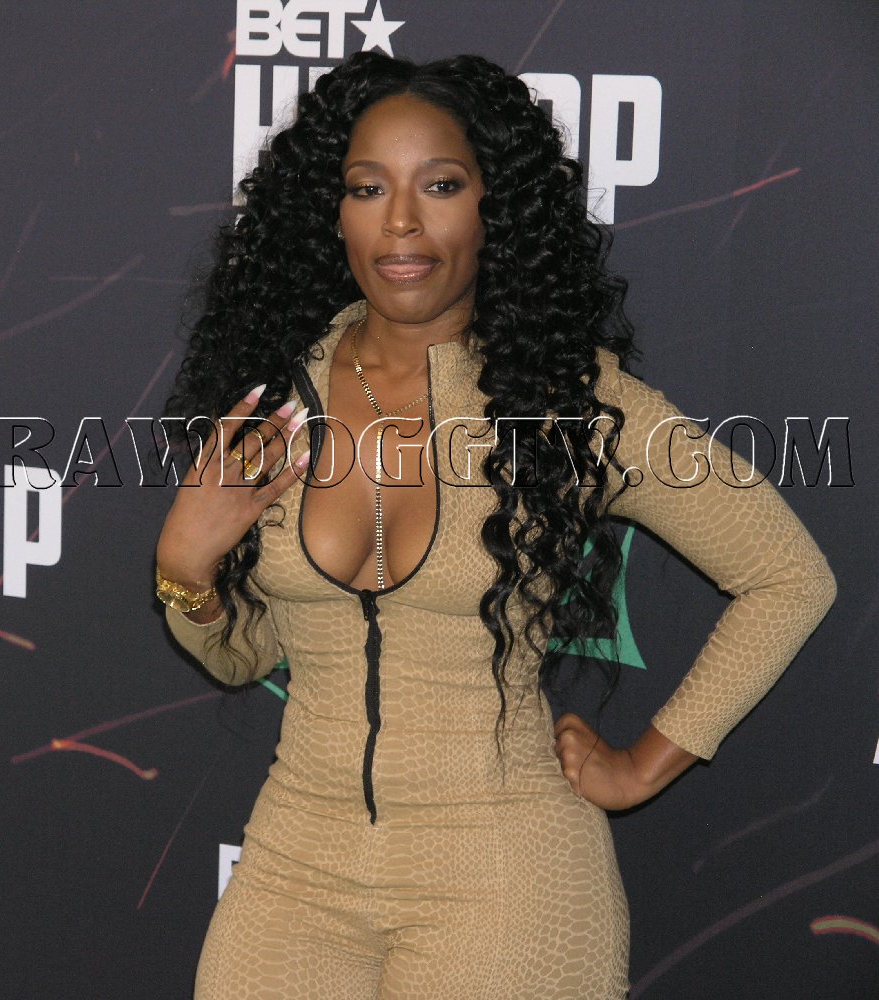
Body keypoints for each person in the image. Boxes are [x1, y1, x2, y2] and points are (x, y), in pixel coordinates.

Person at [154, 52, 835, 1000]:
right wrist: (184, 568)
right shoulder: (273, 401)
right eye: (367, 188)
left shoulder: (568, 403)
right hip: (293, 867)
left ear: (494, 208)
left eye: (439, 185)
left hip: (505, 877)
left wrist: (644, 765)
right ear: (331, 212)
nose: (400, 221)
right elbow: (242, 658)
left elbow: (788, 576)